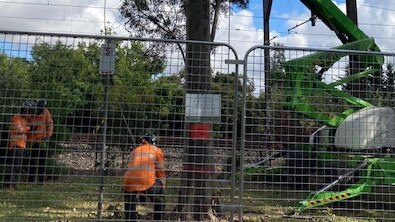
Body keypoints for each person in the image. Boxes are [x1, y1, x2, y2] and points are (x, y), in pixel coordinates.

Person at [123, 133, 166, 221]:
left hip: (129, 182)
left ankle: (130, 219)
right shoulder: (157, 150)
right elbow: (160, 171)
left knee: (129, 202)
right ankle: (157, 219)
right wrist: (163, 184)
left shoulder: (135, 150)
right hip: (146, 181)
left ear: (144, 141)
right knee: (160, 199)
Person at [4, 101, 32, 188]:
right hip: (15, 145)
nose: (29, 114)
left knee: (17, 165)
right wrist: (29, 128)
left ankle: (13, 184)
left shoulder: (24, 119)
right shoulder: (17, 117)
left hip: (21, 145)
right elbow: (18, 130)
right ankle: (9, 184)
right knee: (14, 165)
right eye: (28, 111)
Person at [27, 99, 54, 183]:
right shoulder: (32, 111)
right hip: (33, 140)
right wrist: (30, 129)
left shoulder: (46, 112)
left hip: (42, 140)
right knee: (32, 160)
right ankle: (31, 179)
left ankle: (41, 180)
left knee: (42, 160)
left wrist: (48, 135)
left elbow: (49, 124)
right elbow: (27, 122)